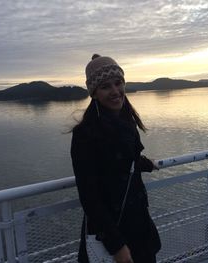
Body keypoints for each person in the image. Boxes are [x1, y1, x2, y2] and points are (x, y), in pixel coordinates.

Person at [71, 54, 161, 263]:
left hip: (138, 223)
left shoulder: (125, 121)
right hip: (112, 230)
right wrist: (116, 246)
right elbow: (89, 196)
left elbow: (126, 161)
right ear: (94, 93)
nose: (115, 91)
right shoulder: (86, 133)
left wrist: (146, 164)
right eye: (105, 87)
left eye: (118, 83)